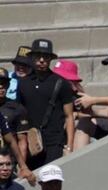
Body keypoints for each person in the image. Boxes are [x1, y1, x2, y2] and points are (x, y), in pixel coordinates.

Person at [14, 39, 74, 169]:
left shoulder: (61, 83)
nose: (41, 60)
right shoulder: (23, 83)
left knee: (50, 178)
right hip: (32, 141)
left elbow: (69, 116)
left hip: (54, 142)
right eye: (38, 56)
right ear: (31, 58)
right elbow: (20, 114)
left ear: (50, 59)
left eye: (46, 57)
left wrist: (69, 146)